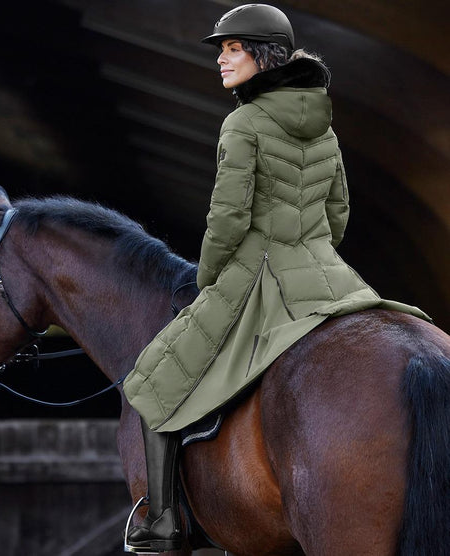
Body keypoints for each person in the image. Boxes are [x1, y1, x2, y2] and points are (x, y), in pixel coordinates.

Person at [123, 3, 428, 553]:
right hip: (330, 273)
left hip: (256, 271)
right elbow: (338, 214)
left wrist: (209, 277)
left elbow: (228, 219)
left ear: (264, 56)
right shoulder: (324, 127)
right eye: (221, 49)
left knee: (152, 381)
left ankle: (163, 523)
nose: (221, 59)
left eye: (232, 48)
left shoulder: (243, 123)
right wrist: (312, 253)